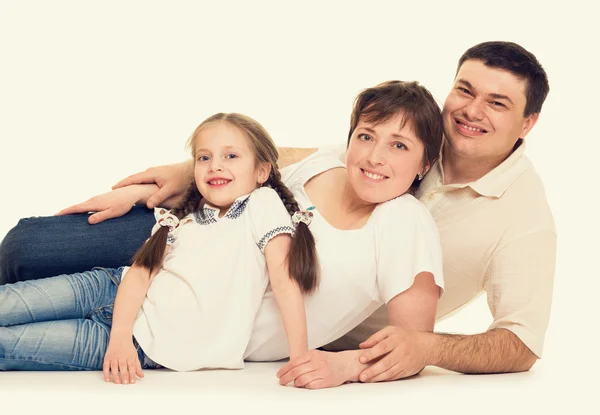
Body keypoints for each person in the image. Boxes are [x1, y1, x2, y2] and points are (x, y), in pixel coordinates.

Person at [0, 80, 446, 389]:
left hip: (174, 334)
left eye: (400, 145)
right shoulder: (321, 163)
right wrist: (144, 191)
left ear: (425, 164)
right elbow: (235, 162)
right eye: (366, 136)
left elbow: (412, 343)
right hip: (155, 261)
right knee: (24, 246)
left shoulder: (404, 223)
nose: (374, 156)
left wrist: (337, 365)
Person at [0, 112, 321, 384]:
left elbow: (284, 282)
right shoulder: (182, 220)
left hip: (143, 345)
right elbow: (138, 276)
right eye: (204, 157)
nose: (215, 166)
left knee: (8, 345)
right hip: (107, 288)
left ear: (262, 171)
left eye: (231, 156)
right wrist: (121, 332)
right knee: (8, 304)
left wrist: (300, 357)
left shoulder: (261, 204)